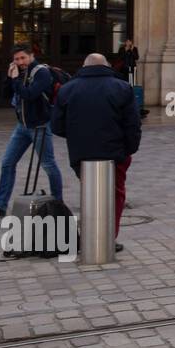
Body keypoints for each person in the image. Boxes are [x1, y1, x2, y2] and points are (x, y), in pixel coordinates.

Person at [51, 52, 141, 252]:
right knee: (115, 195)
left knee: (91, 192)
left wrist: (76, 138)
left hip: (81, 153)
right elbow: (133, 125)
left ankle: (92, 236)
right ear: (107, 66)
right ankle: (108, 237)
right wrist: (129, 149)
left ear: (84, 66)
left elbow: (56, 126)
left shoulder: (67, 89)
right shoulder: (122, 87)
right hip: (115, 153)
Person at [0, 45, 65, 218]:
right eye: (16, 59)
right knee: (7, 163)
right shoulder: (18, 72)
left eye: (23, 58)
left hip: (39, 126)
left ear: (31, 56)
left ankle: (58, 205)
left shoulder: (42, 73)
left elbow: (29, 94)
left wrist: (16, 80)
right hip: (22, 127)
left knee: (48, 165)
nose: (20, 62)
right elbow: (4, 94)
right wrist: (10, 78)